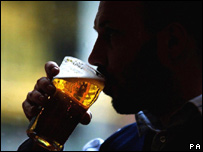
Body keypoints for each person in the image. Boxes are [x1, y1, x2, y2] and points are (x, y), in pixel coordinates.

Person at [18, 1, 202, 151]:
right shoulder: (116, 146)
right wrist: (43, 140)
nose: (94, 57)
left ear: (173, 41)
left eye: (111, 34)